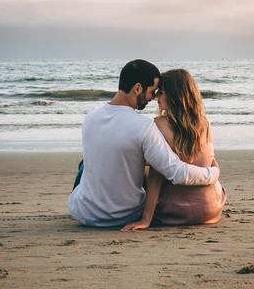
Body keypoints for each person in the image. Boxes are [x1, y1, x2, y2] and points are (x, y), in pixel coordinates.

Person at [68, 59, 220, 228]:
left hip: (83, 213)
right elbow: (176, 171)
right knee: (144, 160)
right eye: (153, 91)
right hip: (125, 215)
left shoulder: (90, 117)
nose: (153, 97)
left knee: (85, 164)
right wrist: (212, 174)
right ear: (138, 88)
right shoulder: (144, 127)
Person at [121, 68, 225, 230]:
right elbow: (208, 160)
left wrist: (146, 220)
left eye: (161, 92)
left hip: (174, 212)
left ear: (176, 95)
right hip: (210, 210)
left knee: (144, 171)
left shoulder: (159, 124)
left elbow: (156, 177)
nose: (156, 97)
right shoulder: (204, 123)